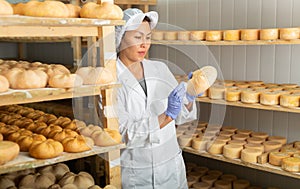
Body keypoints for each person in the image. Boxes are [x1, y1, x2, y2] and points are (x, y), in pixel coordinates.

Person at [115, 8, 201, 189]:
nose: (144, 44)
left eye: (148, 37)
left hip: (170, 167)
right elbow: (122, 134)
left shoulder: (159, 69)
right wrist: (166, 116)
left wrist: (190, 97)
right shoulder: (110, 78)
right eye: (138, 37)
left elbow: (181, 117)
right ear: (120, 37)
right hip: (137, 173)